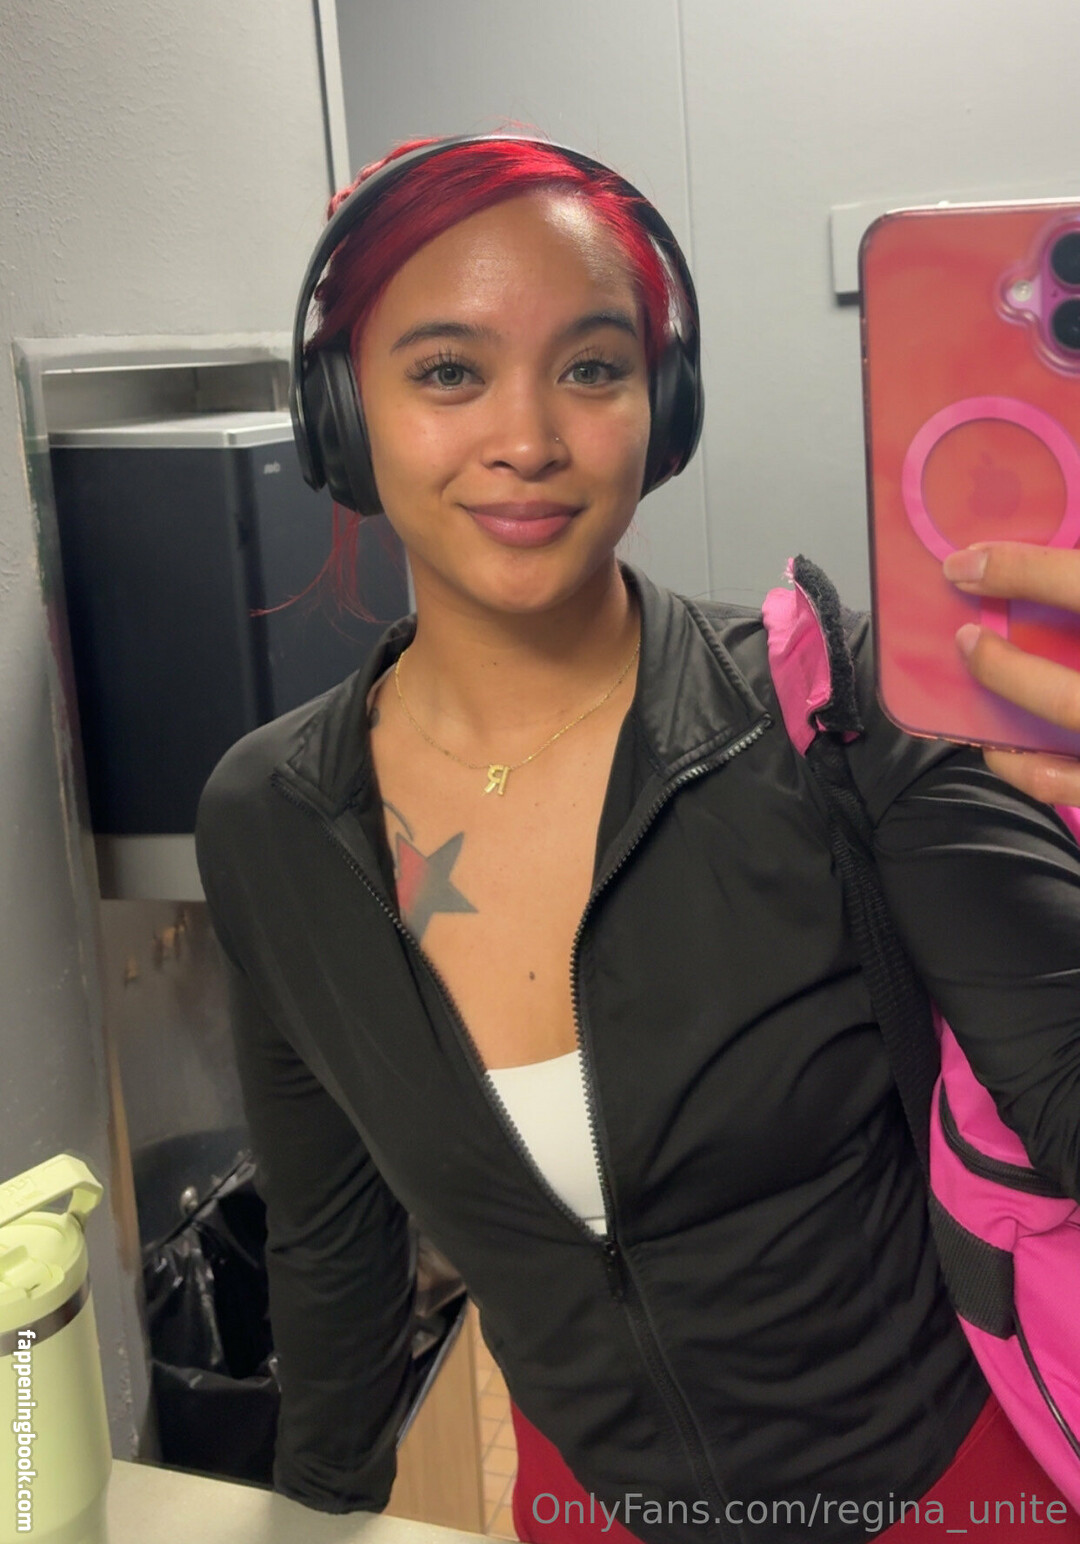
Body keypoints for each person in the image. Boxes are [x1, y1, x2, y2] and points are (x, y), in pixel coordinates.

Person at [194, 136, 1080, 1544]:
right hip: (590, 1512)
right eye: (448, 371)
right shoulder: (272, 823)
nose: (528, 439)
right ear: (341, 415)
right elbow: (333, 1248)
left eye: (593, 368)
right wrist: (318, 1514)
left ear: (665, 410)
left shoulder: (841, 711)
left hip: (949, 1503)